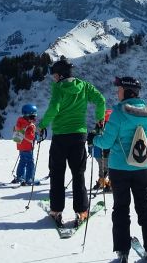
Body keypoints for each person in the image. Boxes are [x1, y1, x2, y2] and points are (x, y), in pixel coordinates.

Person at [92, 77, 147, 263]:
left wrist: (94, 138)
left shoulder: (118, 114)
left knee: (121, 209)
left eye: (119, 89)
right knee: (145, 208)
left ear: (127, 92)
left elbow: (105, 142)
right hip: (143, 168)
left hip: (119, 169)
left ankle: (122, 253)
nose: (117, 92)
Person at [37, 58, 105, 227]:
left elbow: (53, 109)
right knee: (78, 175)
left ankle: (56, 211)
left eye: (54, 75)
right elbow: (101, 100)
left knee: (57, 174)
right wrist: (99, 120)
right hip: (79, 136)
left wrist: (42, 125)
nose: (53, 78)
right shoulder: (84, 86)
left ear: (60, 75)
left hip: (60, 136)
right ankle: (82, 212)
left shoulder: (59, 88)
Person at [11, 104, 39, 186]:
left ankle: (20, 177)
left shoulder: (20, 122)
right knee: (30, 162)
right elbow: (30, 136)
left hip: (21, 146)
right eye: (33, 116)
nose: (34, 118)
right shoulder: (28, 125)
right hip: (27, 147)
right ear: (28, 115)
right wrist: (36, 135)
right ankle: (29, 179)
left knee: (22, 161)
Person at [91, 109, 113, 193]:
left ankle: (104, 181)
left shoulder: (99, 127)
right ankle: (108, 182)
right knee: (107, 167)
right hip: (103, 152)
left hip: (99, 151)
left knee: (104, 167)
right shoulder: (108, 127)